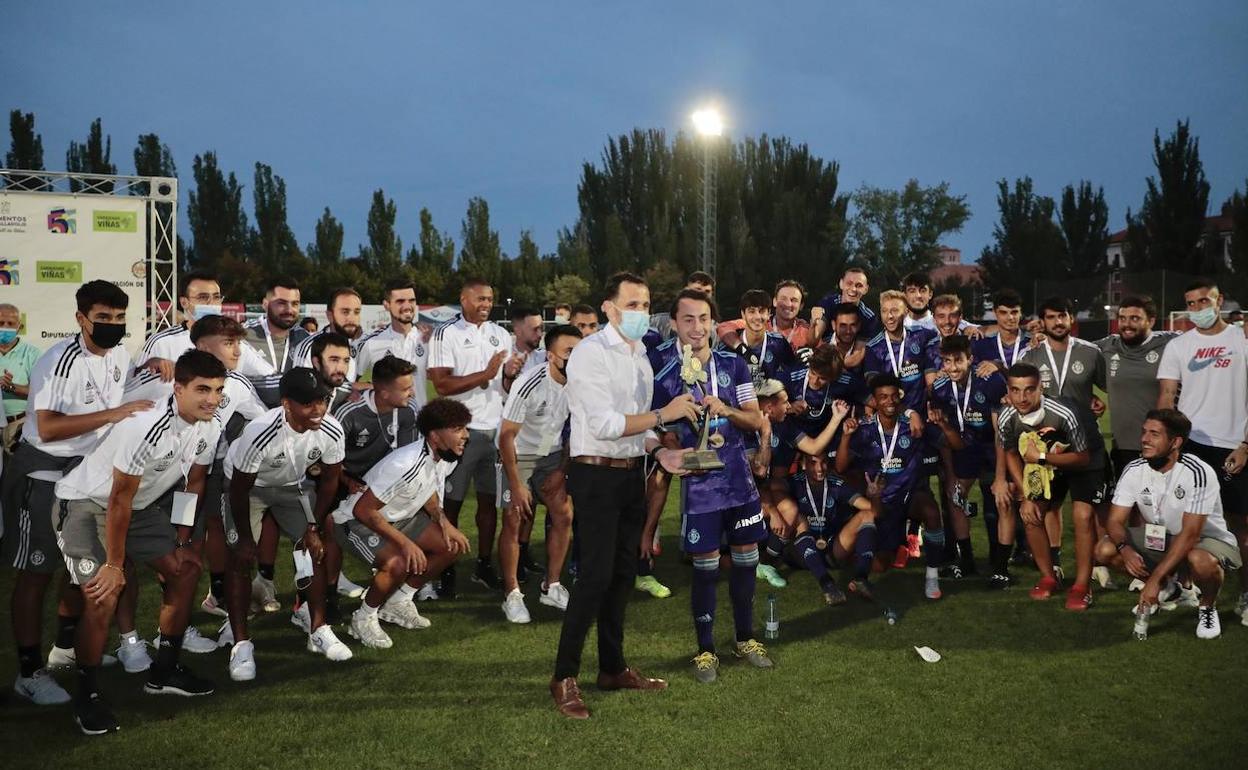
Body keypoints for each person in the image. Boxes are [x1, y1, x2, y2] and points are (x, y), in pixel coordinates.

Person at [53, 350, 225, 734]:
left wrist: (182, 537)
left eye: (217, 389)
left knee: (184, 569)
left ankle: (164, 671)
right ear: (178, 388)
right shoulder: (147, 426)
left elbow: (193, 483)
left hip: (141, 507)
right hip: (87, 503)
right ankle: (88, 694)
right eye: (202, 389)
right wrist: (115, 565)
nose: (212, 399)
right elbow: (118, 500)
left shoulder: (210, 425)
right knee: (103, 594)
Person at [550, 271, 696, 720]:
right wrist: (663, 414)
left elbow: (636, 428)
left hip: (632, 473)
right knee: (594, 576)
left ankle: (612, 668)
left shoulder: (640, 356)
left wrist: (660, 450)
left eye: (645, 304)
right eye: (632, 305)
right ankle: (563, 676)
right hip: (594, 476)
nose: (640, 313)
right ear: (609, 309)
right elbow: (606, 426)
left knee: (621, 575)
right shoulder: (591, 353)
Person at [2, 280, 149, 706]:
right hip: (43, 473)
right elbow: (46, 426)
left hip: (84, 474)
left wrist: (152, 368)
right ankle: (28, 672)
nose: (112, 326)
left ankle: (65, 649)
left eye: (119, 318)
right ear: (81, 319)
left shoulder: (119, 354)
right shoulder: (58, 361)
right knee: (36, 571)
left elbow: (117, 396)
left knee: (79, 565)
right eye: (103, 318)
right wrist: (114, 413)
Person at [650, 289, 772, 683]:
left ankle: (745, 637)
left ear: (713, 323)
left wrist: (727, 410)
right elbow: (657, 429)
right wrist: (672, 450)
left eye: (703, 318)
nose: (697, 327)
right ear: (674, 323)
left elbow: (755, 421)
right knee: (703, 568)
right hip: (700, 484)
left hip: (738, 479)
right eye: (688, 319)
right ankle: (705, 651)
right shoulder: (663, 373)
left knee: (746, 558)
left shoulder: (734, 366)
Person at [219, 368, 350, 681]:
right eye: (308, 403)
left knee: (311, 551)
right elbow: (239, 488)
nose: (318, 409)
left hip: (293, 485)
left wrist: (312, 528)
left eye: (323, 400)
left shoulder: (331, 429)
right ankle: (241, 645)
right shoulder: (260, 431)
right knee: (239, 557)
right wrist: (247, 540)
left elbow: (330, 482)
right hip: (248, 488)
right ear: (287, 404)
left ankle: (317, 629)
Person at [333, 398, 473, 649]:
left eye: (465, 428)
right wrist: (406, 544)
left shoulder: (444, 457)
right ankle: (363, 618)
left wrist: (443, 521)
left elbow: (428, 490)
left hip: (398, 518)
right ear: (435, 436)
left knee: (450, 545)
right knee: (396, 562)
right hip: (355, 521)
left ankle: (399, 602)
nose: (465, 435)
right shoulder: (406, 463)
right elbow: (363, 509)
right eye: (458, 429)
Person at [1096, 410, 1241, 638]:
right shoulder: (1134, 470)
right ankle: (1171, 590)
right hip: (1166, 537)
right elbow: (1114, 521)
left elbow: (1191, 534)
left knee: (1200, 560)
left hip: (1207, 541)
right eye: (1144, 432)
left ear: (1175, 442)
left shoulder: (1198, 472)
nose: (1144, 439)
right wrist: (1125, 550)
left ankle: (1206, 606)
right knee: (1105, 549)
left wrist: (1152, 580)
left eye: (1154, 434)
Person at [1156, 279, 1248, 620]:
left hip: (1234, 445)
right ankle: (1187, 589)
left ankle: (1246, 595)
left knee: (1239, 525)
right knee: (1183, 522)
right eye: (1190, 303)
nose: (1197, 309)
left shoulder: (1242, 339)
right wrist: (1165, 441)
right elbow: (1167, 396)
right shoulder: (1179, 346)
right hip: (1191, 445)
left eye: (1203, 301)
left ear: (1219, 300)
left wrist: (1246, 444)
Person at [428, 278, 516, 596]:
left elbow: (503, 387)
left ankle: (482, 564)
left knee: (488, 503)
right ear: (463, 299)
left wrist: (508, 375)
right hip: (457, 431)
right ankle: (445, 566)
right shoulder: (445, 333)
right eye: (479, 299)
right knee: (449, 503)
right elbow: (442, 385)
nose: (486, 304)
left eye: (490, 299)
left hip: (493, 431)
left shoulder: (500, 334)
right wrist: (487, 374)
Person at [996, 363, 1104, 610]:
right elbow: (1010, 452)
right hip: (1045, 461)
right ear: (1008, 390)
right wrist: (1024, 494)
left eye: (1029, 390)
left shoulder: (1063, 413)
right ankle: (1048, 576)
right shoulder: (1006, 416)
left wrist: (1042, 459)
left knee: (1083, 515)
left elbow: (1083, 458)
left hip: (1085, 460)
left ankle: (1082, 585)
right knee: (1031, 514)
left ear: (1040, 389)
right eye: (1015, 390)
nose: (1022, 398)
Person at [497, 324, 582, 622]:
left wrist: (561, 470)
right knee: (514, 518)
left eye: (579, 351)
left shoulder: (581, 383)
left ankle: (552, 585)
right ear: (550, 356)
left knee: (564, 514)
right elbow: (506, 436)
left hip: (553, 452)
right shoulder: (528, 384)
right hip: (519, 454)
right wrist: (517, 483)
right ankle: (512, 594)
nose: (576, 358)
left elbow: (575, 430)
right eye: (569, 352)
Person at [836, 374, 946, 600]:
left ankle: (932, 576)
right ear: (874, 401)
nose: (889, 401)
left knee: (932, 512)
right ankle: (898, 540)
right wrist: (846, 437)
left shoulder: (913, 425)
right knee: (880, 566)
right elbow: (840, 466)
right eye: (883, 397)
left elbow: (948, 442)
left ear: (900, 397)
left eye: (894, 396)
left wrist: (924, 417)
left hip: (908, 496)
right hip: (879, 503)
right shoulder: (863, 429)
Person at [930, 334, 1010, 584]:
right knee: (956, 498)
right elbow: (944, 436)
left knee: (1000, 501)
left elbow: (1001, 432)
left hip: (992, 446)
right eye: (946, 361)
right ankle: (967, 560)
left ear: (970, 359)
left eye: (958, 361)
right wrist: (952, 475)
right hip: (963, 448)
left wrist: (1000, 476)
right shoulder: (940, 388)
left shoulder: (990, 381)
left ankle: (1000, 566)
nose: (952, 367)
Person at [137, 270, 273, 378]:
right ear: (184, 302)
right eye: (203, 297)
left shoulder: (236, 343)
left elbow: (269, 375)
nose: (211, 303)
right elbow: (135, 383)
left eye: (216, 297)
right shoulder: (162, 343)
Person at [1094, 296, 1174, 476]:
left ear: (1151, 320)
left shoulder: (1170, 344)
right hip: (1122, 447)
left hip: (1160, 446)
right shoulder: (1108, 346)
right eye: (1122, 318)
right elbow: (1074, 353)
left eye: (1135, 318)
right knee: (1124, 503)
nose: (1127, 324)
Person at [788, 452, 880, 602]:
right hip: (801, 555)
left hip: (832, 549)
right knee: (797, 517)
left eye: (823, 462)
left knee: (867, 515)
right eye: (813, 462)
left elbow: (874, 511)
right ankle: (828, 585)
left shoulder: (836, 484)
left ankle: (861, 579)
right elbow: (772, 489)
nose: (819, 468)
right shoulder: (793, 483)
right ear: (803, 464)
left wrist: (875, 497)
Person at [354, 279, 429, 408]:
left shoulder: (428, 340)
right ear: (387, 305)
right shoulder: (371, 343)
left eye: (411, 300)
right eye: (400, 301)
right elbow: (348, 383)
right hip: (384, 423)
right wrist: (377, 387)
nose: (407, 306)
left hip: (421, 421)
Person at [241, 276, 309, 374]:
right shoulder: (244, 335)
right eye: (282, 303)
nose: (289, 310)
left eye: (295, 304)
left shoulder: (304, 339)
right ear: (265, 304)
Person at [733, 289, 799, 390]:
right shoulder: (729, 346)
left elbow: (793, 373)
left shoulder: (779, 343)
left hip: (771, 402)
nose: (757, 317)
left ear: (769, 314)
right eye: (751, 311)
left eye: (762, 311)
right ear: (743, 314)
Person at [0, 302, 41, 451]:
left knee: (16, 473)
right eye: (0, 323)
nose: (4, 327)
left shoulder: (33, 354)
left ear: (19, 327)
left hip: (19, 425)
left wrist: (10, 386)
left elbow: (41, 392)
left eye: (10, 324)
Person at [810, 265, 880, 343]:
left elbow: (860, 351)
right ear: (841, 284)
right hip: (825, 351)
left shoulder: (869, 317)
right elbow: (813, 340)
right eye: (849, 283)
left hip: (850, 353)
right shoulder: (828, 303)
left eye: (859, 285)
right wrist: (813, 324)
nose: (853, 289)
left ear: (866, 289)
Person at [646, 271, 714, 344]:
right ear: (685, 290)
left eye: (707, 291)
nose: (702, 295)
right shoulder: (657, 322)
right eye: (697, 290)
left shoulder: (716, 330)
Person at [971, 289, 1030, 369]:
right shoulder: (982, 345)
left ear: (1020, 313)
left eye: (1014, 312)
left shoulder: (1030, 343)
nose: (1010, 317)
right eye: (1003, 312)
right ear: (995, 312)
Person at [769, 280, 813, 351]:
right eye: (783, 299)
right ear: (775, 301)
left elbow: (824, 355)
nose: (788, 304)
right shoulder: (761, 326)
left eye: (794, 300)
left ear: (801, 306)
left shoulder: (807, 332)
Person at [510, 305, 547, 374]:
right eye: (535, 329)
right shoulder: (505, 359)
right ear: (518, 331)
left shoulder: (546, 358)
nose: (540, 334)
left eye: (541, 328)